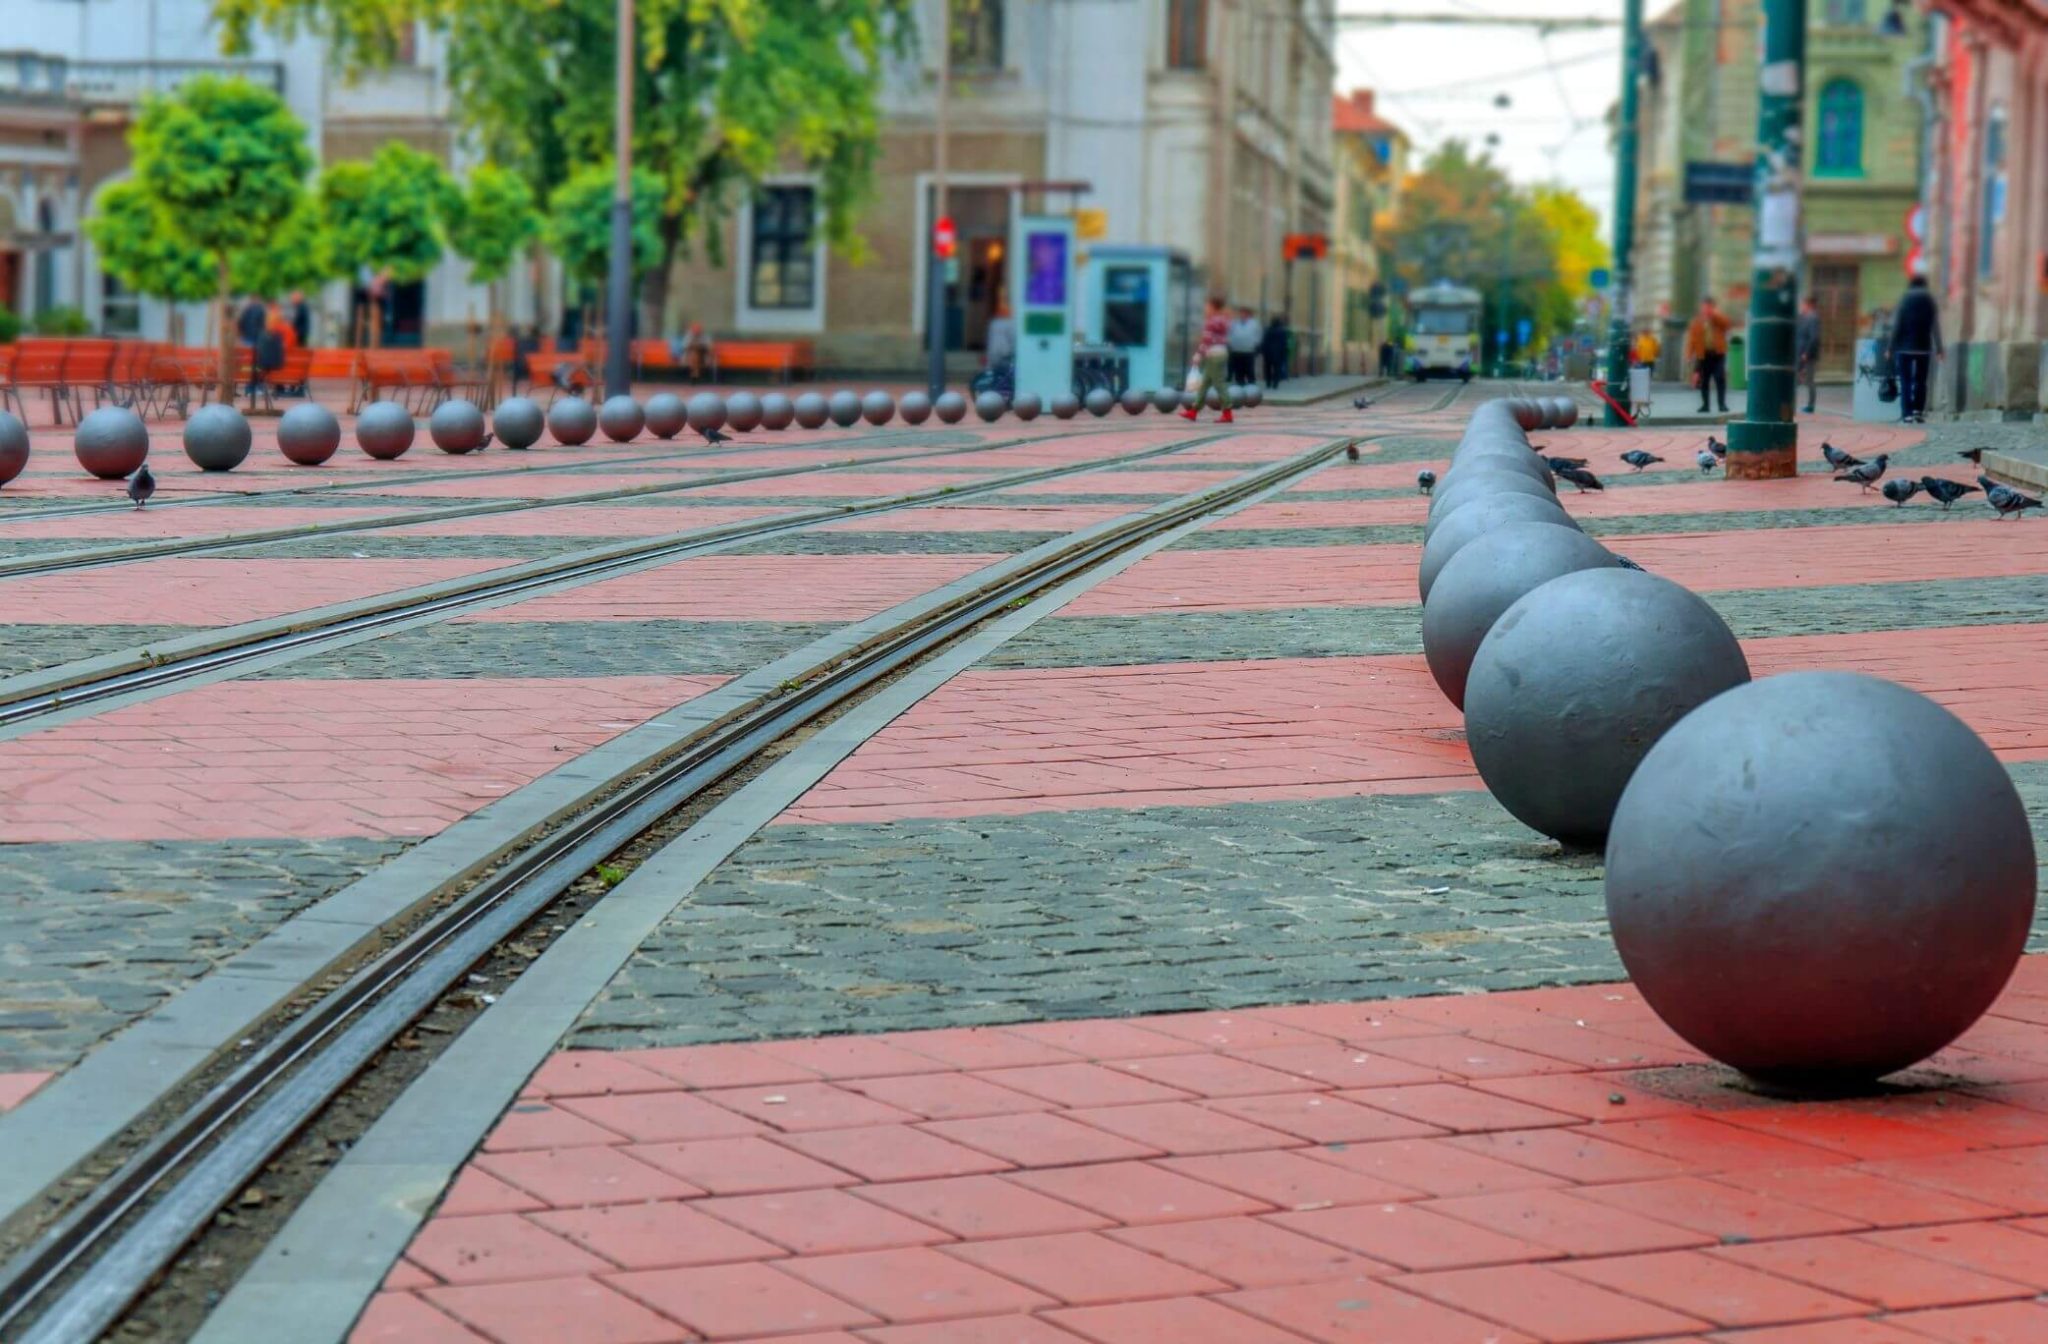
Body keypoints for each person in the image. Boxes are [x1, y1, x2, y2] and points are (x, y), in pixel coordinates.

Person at [1889, 275, 1942, 424]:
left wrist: (1890, 347)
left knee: (1905, 381)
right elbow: (1935, 326)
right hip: (1923, 347)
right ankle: (1918, 412)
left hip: (1904, 348)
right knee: (1920, 381)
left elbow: (1897, 325)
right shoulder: (1929, 300)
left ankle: (1907, 413)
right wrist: (1939, 348)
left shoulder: (1904, 299)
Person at [1179, 294, 1235, 424]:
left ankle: (1227, 412)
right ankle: (1193, 411)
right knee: (1204, 384)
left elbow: (1207, 340)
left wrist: (1198, 354)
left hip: (1213, 355)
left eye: (1207, 305)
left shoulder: (1211, 321)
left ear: (1212, 306)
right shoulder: (1224, 320)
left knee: (1219, 384)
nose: (1205, 308)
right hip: (1221, 352)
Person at [1683, 295, 1732, 413]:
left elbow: (1727, 325)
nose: (1707, 310)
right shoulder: (1696, 322)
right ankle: (1705, 405)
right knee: (1704, 381)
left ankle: (1722, 404)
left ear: (1713, 307)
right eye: (1705, 307)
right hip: (1703, 355)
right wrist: (1688, 354)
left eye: (1709, 307)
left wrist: (1715, 315)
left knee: (1720, 378)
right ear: (1701, 308)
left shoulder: (1718, 319)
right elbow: (1692, 340)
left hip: (1718, 354)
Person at [1794, 296, 1821, 414]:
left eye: (1802, 305)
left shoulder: (1813, 318)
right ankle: (1791, 404)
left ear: (1808, 305)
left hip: (1807, 355)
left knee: (1809, 380)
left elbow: (1814, 338)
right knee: (1796, 379)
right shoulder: (1802, 318)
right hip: (1799, 353)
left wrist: (1807, 353)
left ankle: (1810, 406)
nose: (1801, 307)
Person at [1225, 306, 1261, 386]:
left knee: (1249, 369)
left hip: (1248, 351)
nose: (1242, 315)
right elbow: (1229, 334)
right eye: (1241, 313)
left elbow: (1258, 335)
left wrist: (1255, 345)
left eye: (1244, 313)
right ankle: (1240, 383)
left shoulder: (1254, 324)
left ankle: (1251, 385)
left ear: (1249, 314)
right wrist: (1230, 344)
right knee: (1239, 369)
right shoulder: (1234, 323)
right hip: (1236, 350)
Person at [1260, 313, 1291, 389]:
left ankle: (1268, 382)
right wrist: (1284, 353)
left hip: (1268, 353)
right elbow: (1284, 343)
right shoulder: (1282, 331)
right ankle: (1275, 383)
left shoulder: (1268, 330)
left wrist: (1263, 351)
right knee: (1277, 369)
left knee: (1268, 368)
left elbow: (1264, 342)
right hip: (1278, 353)